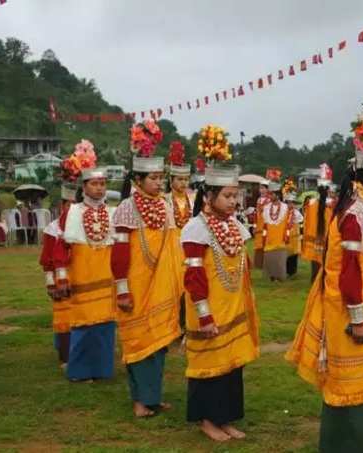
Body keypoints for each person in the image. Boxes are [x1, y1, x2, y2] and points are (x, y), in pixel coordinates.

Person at [286, 148, 363, 453]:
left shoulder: (361, 209)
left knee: (352, 380)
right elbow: (349, 273)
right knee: (352, 381)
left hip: (354, 308)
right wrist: (358, 320)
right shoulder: (353, 215)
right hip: (347, 313)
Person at [181, 164, 260, 442]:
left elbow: (242, 267)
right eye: (227, 195)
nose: (234, 201)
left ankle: (225, 418)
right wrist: (204, 315)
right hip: (209, 310)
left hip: (233, 308)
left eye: (235, 195)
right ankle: (207, 420)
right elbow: (193, 277)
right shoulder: (195, 229)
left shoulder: (235, 226)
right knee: (209, 367)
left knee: (231, 367)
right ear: (208, 197)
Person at [111, 119, 182, 417]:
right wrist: (123, 289)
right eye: (152, 178)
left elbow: (173, 244)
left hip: (162, 284)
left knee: (159, 342)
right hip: (136, 285)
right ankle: (140, 401)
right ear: (137, 180)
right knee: (139, 341)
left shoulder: (165, 206)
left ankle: (153, 397)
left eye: (160, 178)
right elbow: (119, 253)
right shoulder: (127, 207)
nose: (158, 183)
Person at [52, 142, 117, 382]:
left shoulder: (112, 212)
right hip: (82, 270)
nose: (100, 189)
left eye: (102, 184)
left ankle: (102, 370)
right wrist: (61, 277)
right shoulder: (74, 212)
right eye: (95, 184)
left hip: (106, 271)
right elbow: (62, 246)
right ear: (84, 186)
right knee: (83, 324)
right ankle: (79, 372)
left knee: (105, 324)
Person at [39, 184, 77, 368]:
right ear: (62, 206)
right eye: (68, 204)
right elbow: (47, 260)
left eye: (75, 204)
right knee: (64, 319)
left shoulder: (82, 225)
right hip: (60, 279)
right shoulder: (52, 229)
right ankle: (66, 357)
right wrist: (51, 284)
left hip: (81, 276)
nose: (71, 208)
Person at [165, 141, 192, 334]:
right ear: (171, 180)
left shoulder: (193, 198)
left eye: (186, 179)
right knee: (172, 288)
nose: (183, 183)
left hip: (188, 247)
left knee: (188, 286)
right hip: (170, 247)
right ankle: (172, 325)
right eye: (179, 179)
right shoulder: (163, 199)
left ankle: (185, 324)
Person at [301, 164, 334, 283]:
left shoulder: (311, 204)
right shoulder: (331, 205)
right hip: (327, 240)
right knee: (326, 262)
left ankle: (315, 279)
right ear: (329, 189)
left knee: (315, 263)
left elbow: (306, 223)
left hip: (314, 240)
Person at [261, 180, 299, 282]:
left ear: (277, 195)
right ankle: (272, 276)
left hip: (281, 238)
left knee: (279, 257)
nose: (269, 196)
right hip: (270, 238)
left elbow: (291, 221)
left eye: (272, 194)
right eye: (269, 194)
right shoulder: (266, 208)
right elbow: (265, 222)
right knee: (270, 257)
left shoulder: (285, 207)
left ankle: (279, 276)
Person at [283, 182, 303, 278]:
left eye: (292, 203)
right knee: (286, 254)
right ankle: (286, 270)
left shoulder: (297, 213)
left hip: (294, 237)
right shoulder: (284, 212)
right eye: (288, 202)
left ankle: (293, 272)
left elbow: (300, 223)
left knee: (293, 255)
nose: (290, 204)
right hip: (286, 237)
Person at [253, 180, 270, 269]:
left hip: (267, 224)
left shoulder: (270, 199)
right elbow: (256, 213)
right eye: (260, 188)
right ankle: (259, 263)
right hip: (259, 224)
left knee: (266, 242)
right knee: (258, 242)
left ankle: (267, 263)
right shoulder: (258, 199)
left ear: (267, 189)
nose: (261, 190)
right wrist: (255, 225)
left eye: (263, 188)